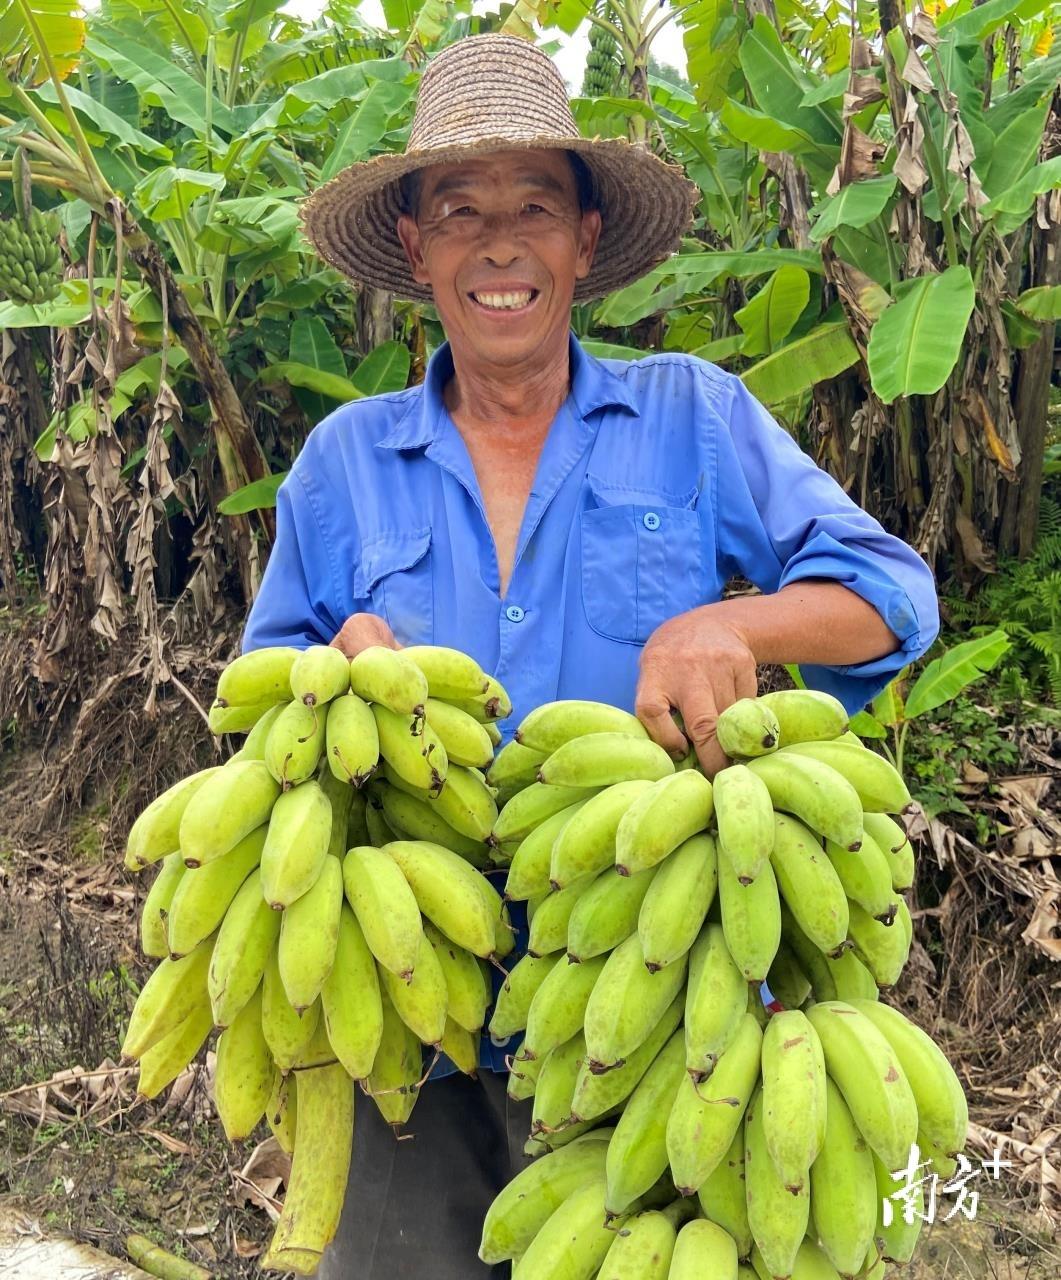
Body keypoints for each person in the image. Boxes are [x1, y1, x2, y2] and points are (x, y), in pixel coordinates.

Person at [242, 32, 939, 1279]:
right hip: (411, 1027)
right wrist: (327, 663)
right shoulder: (342, 464)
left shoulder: (694, 417)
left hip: (657, 1014)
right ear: (413, 245)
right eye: (459, 211)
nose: (497, 244)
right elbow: (260, 715)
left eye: (533, 208)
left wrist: (729, 621)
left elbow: (890, 593)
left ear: (583, 237)